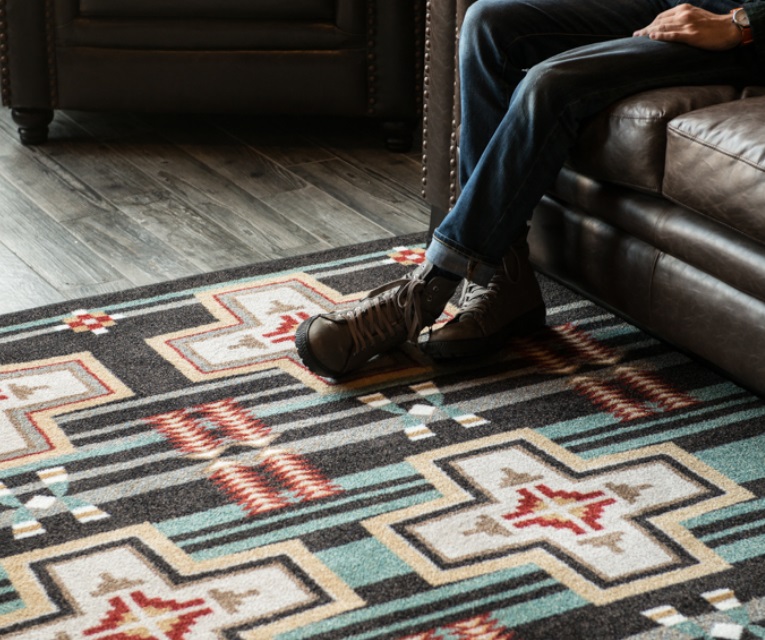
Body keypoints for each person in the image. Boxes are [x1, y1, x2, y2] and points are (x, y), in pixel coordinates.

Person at [295, 0, 765, 378]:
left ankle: (426, 290)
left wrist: (741, 23)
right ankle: (507, 281)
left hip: (735, 30)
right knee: (487, 23)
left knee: (549, 83)